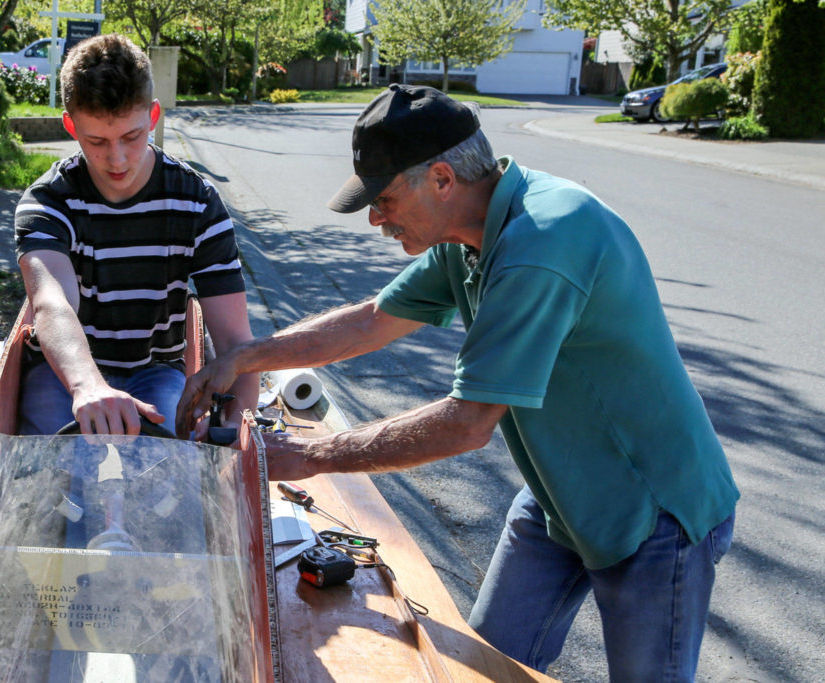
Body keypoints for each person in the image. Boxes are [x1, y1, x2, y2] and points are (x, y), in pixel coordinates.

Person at [176, 84, 739, 680]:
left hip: (653, 512)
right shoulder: (471, 234)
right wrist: (246, 357)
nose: (376, 218)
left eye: (386, 198)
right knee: (485, 666)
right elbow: (371, 321)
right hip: (558, 494)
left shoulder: (541, 243)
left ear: (442, 179)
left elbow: (467, 424)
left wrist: (310, 454)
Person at [15, 34, 256, 437]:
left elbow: (234, 340)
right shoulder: (47, 202)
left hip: (155, 373)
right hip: (62, 375)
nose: (118, 158)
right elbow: (52, 305)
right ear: (71, 125)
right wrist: (88, 386)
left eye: (132, 136)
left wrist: (239, 431)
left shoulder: (197, 201)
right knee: (52, 468)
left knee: (163, 471)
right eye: (97, 141)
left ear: (154, 116)